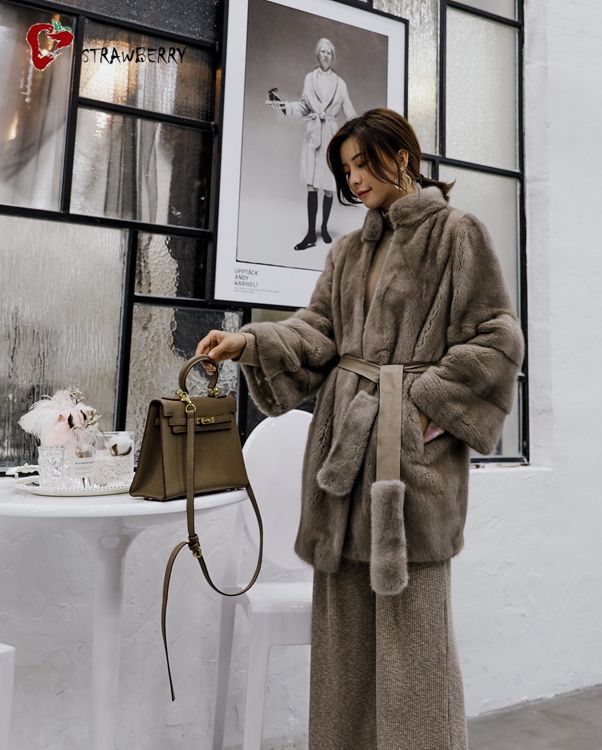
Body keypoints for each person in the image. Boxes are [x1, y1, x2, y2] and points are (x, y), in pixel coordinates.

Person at [196, 107, 525, 750]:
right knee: (342, 650)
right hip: (341, 474)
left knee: (414, 650)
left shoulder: (458, 234)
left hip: (409, 472)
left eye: (361, 163)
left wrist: (422, 411)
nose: (353, 179)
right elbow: (317, 332)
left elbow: (497, 338)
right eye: (344, 169)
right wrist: (249, 343)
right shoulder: (348, 251)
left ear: (401, 156)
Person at [266, 37, 357, 251]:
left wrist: (364, 128)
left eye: (329, 52)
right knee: (311, 184)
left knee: (329, 186)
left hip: (331, 137)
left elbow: (349, 111)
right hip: (313, 135)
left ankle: (323, 228)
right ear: (318, 55)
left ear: (333, 57)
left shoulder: (340, 84)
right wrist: (282, 105)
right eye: (322, 52)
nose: (325, 55)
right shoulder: (309, 78)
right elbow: (304, 106)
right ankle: (310, 233)